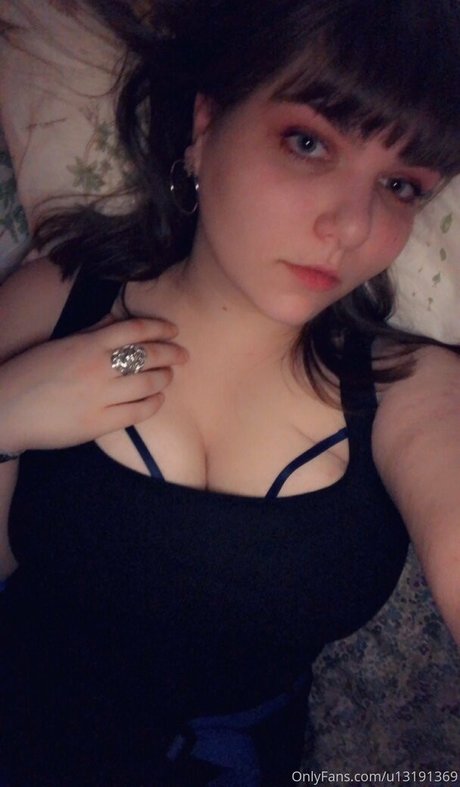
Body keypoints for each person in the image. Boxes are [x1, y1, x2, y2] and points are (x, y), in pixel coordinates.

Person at [0, 0, 460, 783]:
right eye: (308, 143)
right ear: (206, 125)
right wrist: (6, 413)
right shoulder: (64, 299)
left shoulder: (407, 387)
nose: (351, 225)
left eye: (399, 185)